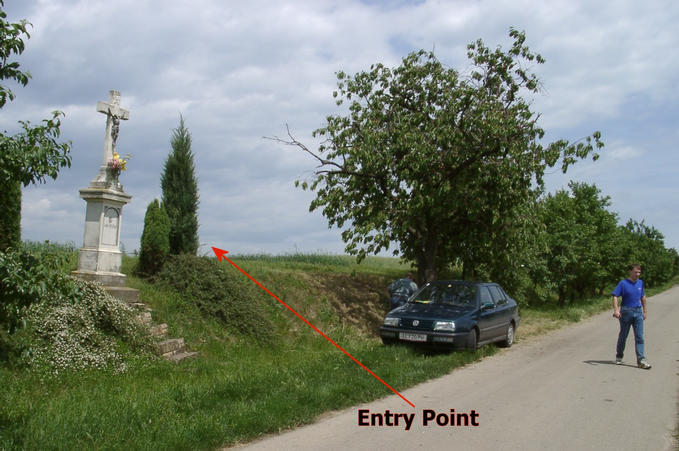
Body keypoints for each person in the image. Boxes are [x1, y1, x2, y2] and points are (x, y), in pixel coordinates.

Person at [612, 263, 651, 369]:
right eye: (635, 272)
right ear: (630, 272)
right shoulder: (623, 283)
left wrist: (645, 311)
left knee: (639, 337)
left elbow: (643, 297)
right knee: (623, 335)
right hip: (626, 312)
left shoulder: (640, 283)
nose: (638, 274)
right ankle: (619, 356)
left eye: (639, 272)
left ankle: (641, 360)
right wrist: (616, 310)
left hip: (638, 312)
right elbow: (615, 296)